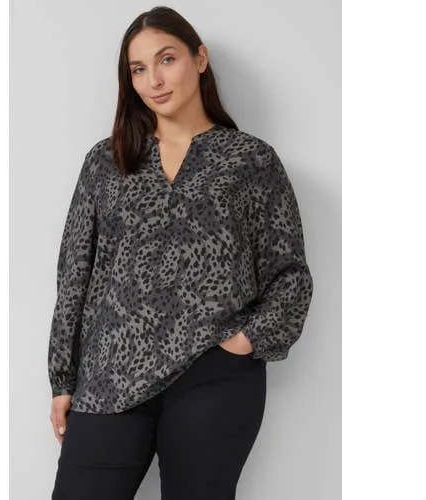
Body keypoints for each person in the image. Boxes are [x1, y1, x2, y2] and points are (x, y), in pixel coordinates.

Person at [48, 5, 314, 500]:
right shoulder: (106, 161)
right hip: (110, 374)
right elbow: (74, 274)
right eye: (138, 69)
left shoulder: (250, 160)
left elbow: (289, 275)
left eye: (166, 59)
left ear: (200, 59)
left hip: (212, 377)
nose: (153, 80)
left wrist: (244, 342)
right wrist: (63, 378)